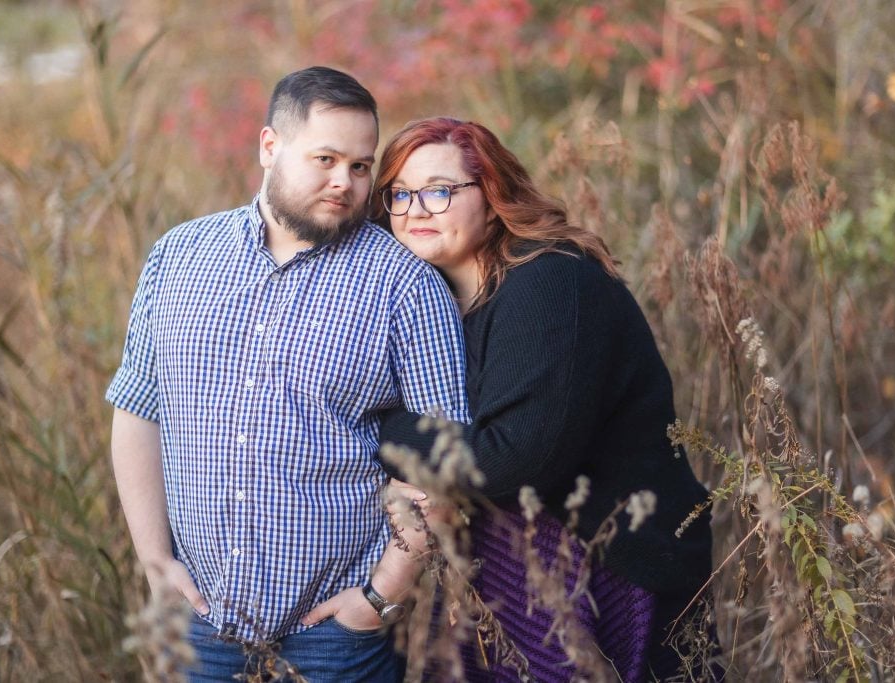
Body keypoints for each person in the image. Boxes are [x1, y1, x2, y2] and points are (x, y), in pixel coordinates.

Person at [106, 68, 470, 682]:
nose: (345, 183)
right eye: (325, 158)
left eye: (361, 166)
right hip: (199, 620)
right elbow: (138, 408)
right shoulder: (179, 256)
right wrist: (153, 562)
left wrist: (380, 596)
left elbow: (449, 460)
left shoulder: (406, 286)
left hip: (336, 637)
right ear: (269, 146)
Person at [373, 117, 716, 681]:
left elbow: (509, 460)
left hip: (605, 564)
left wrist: (378, 426)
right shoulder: (434, 299)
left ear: (493, 195)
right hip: (510, 561)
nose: (415, 210)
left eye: (439, 190)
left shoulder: (549, 282)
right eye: (401, 194)